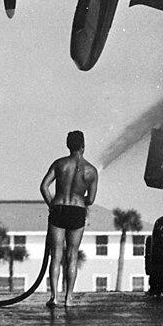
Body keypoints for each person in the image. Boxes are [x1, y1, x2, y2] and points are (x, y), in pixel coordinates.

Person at [40, 130, 99, 307]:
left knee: (56, 255)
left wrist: (52, 205)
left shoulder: (60, 164)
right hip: (77, 211)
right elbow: (91, 199)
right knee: (72, 255)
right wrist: (79, 201)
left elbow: (44, 187)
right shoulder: (91, 170)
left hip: (58, 209)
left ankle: (54, 297)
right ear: (83, 146)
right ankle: (69, 298)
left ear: (68, 145)